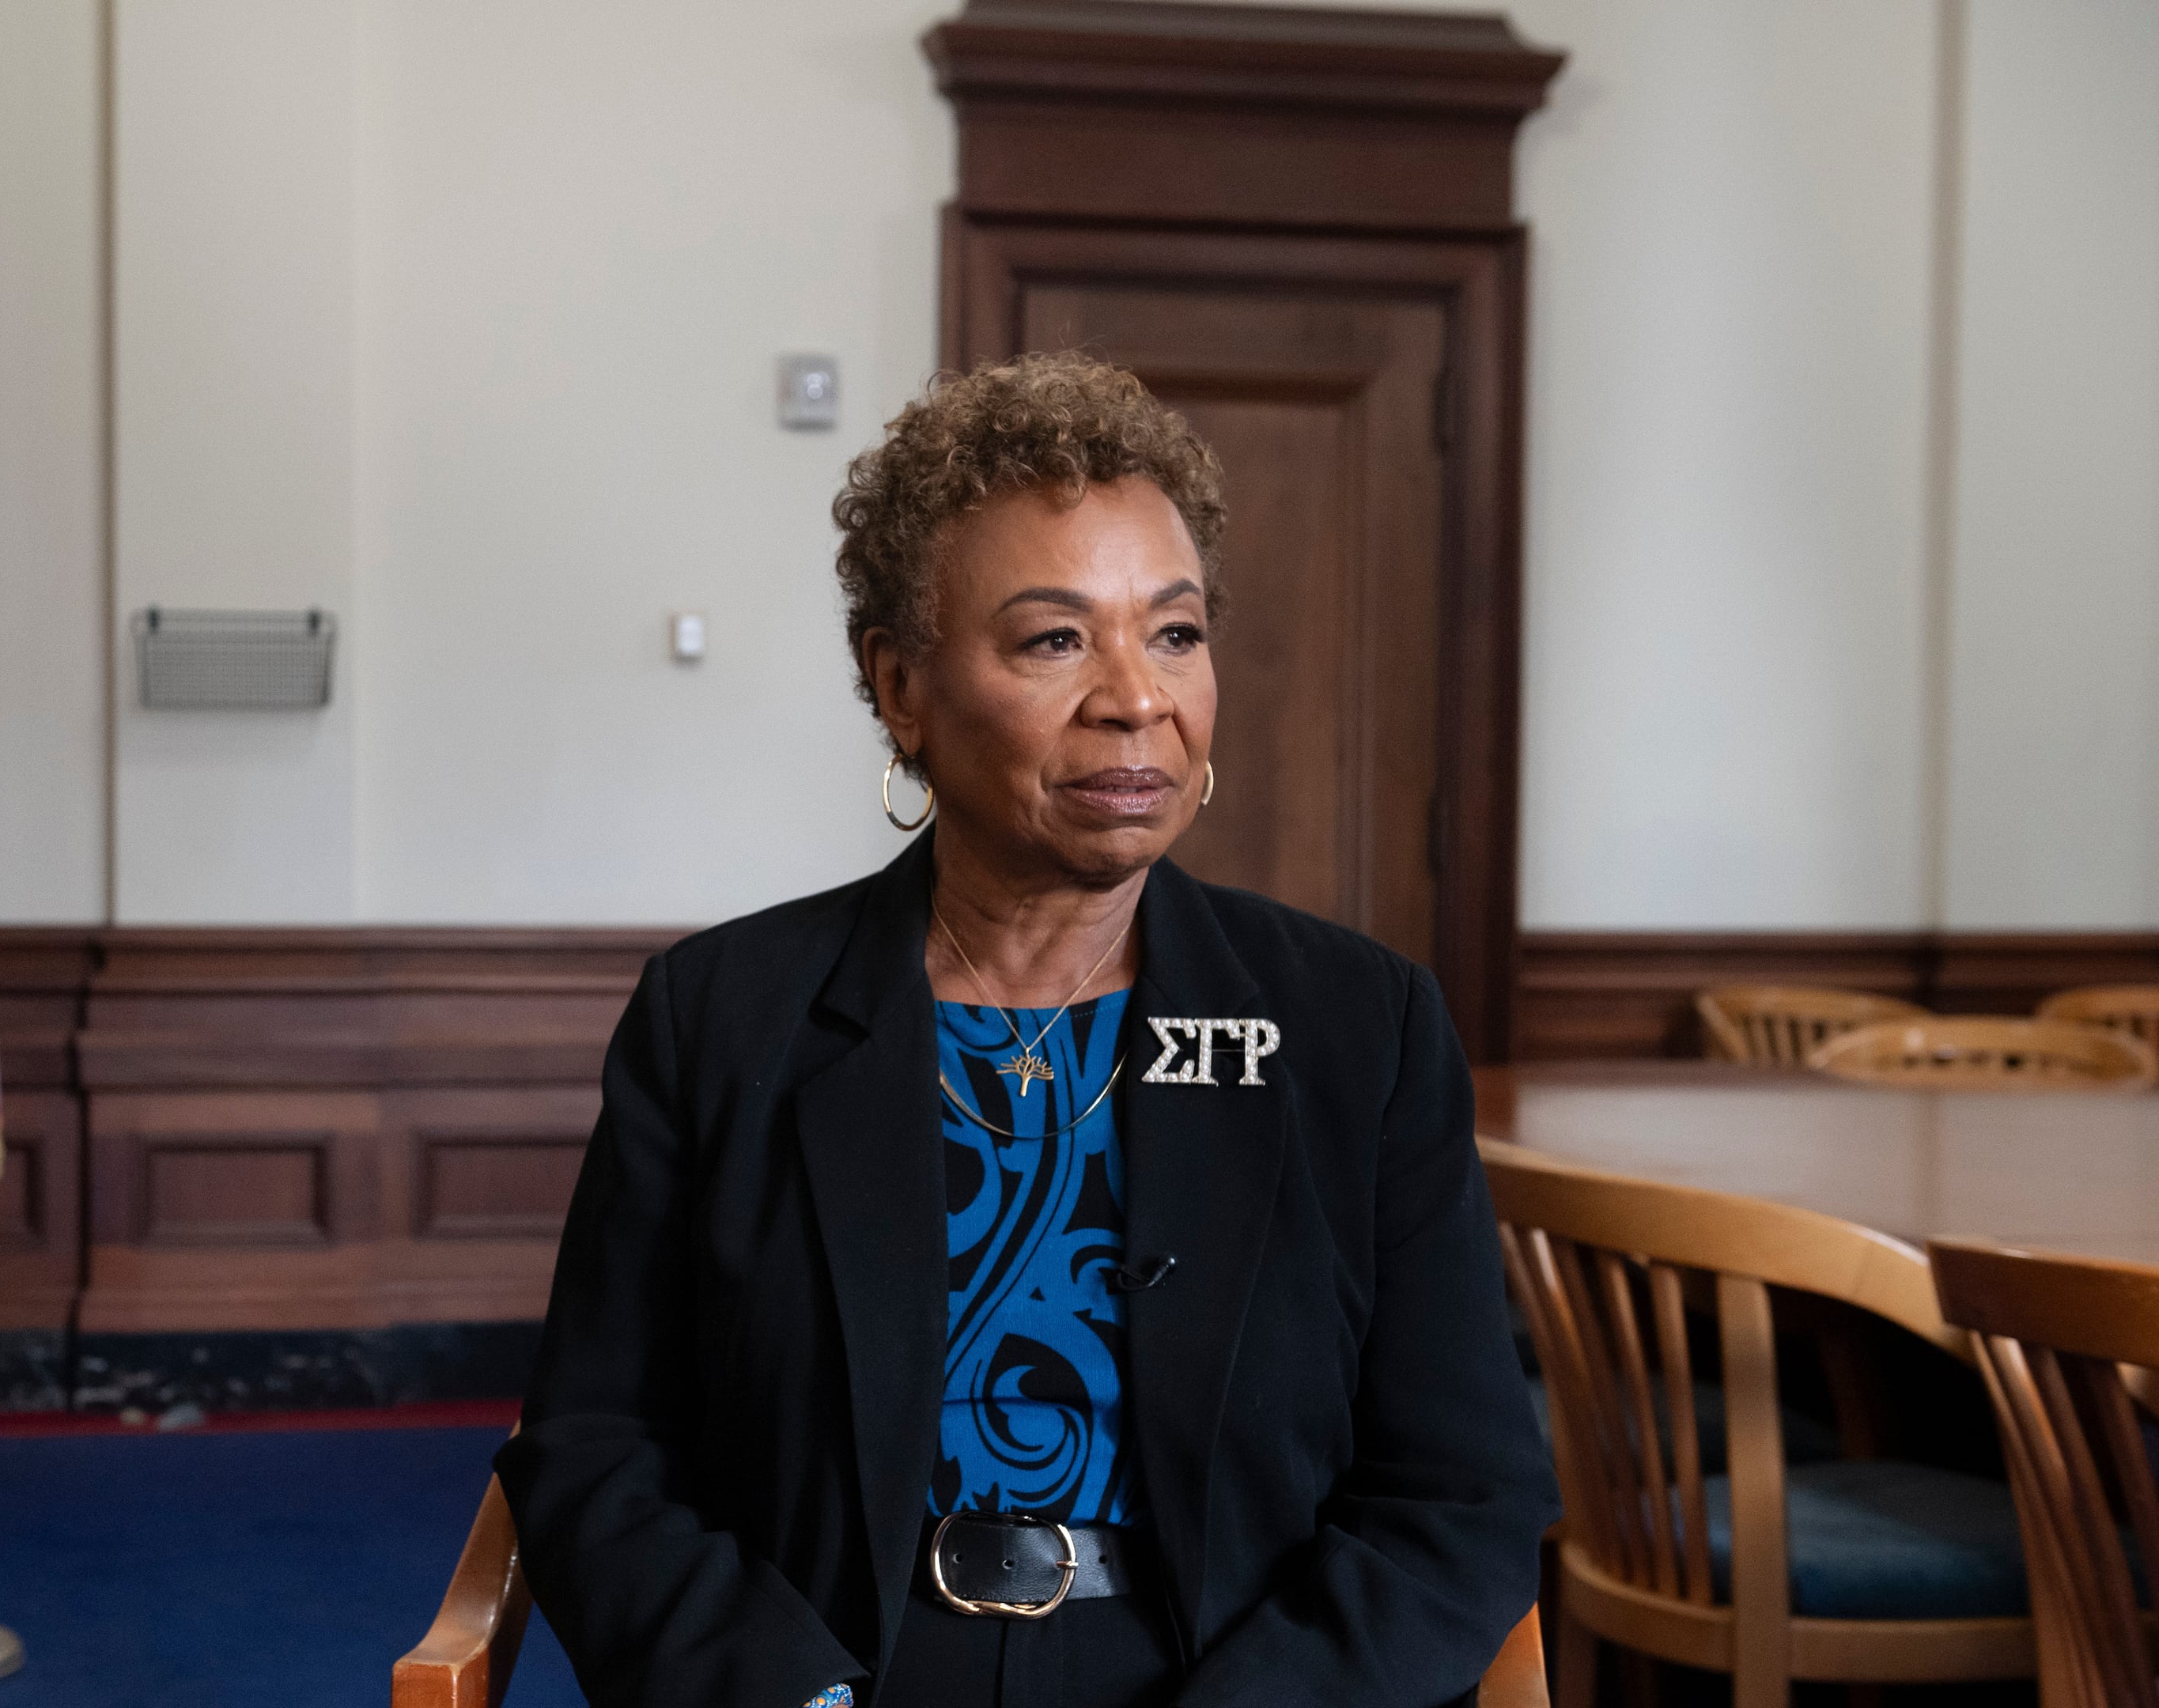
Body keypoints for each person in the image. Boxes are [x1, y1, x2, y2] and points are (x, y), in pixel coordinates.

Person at [496, 352, 1556, 1707]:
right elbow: (598, 1448)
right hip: (843, 1672)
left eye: (1174, 633)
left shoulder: (1361, 1029)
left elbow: (1462, 1492)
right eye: (1056, 639)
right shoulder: (720, 1021)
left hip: (1230, 1674)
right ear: (903, 688)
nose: (1136, 697)